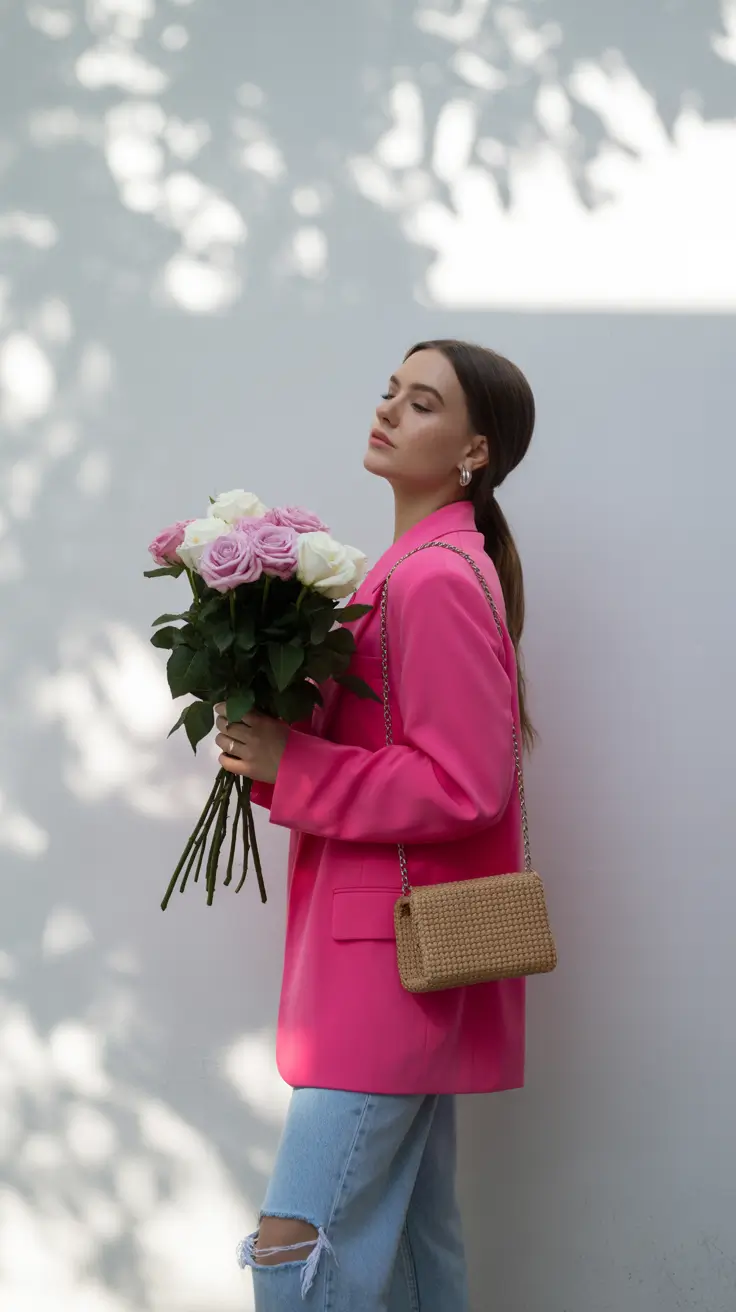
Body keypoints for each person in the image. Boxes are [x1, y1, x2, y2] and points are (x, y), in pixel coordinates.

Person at [214, 339, 536, 1311]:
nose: (389, 409)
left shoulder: (432, 579)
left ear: (475, 451)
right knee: (414, 1252)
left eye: (423, 402)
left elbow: (467, 783)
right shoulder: (406, 571)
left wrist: (294, 763)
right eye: (391, 390)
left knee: (295, 1248)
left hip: (388, 970)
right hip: (388, 959)